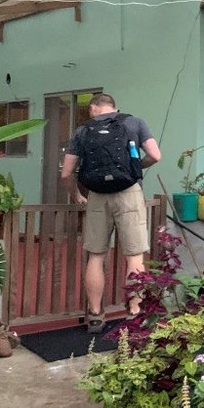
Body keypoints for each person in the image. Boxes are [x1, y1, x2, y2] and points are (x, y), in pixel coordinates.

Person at [61, 93, 161, 332]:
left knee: (96, 256)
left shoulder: (82, 131)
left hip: (96, 195)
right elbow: (155, 156)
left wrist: (76, 195)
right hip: (129, 193)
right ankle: (134, 312)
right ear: (115, 107)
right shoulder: (134, 122)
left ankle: (95, 315)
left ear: (93, 108)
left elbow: (66, 172)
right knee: (135, 257)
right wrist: (135, 167)